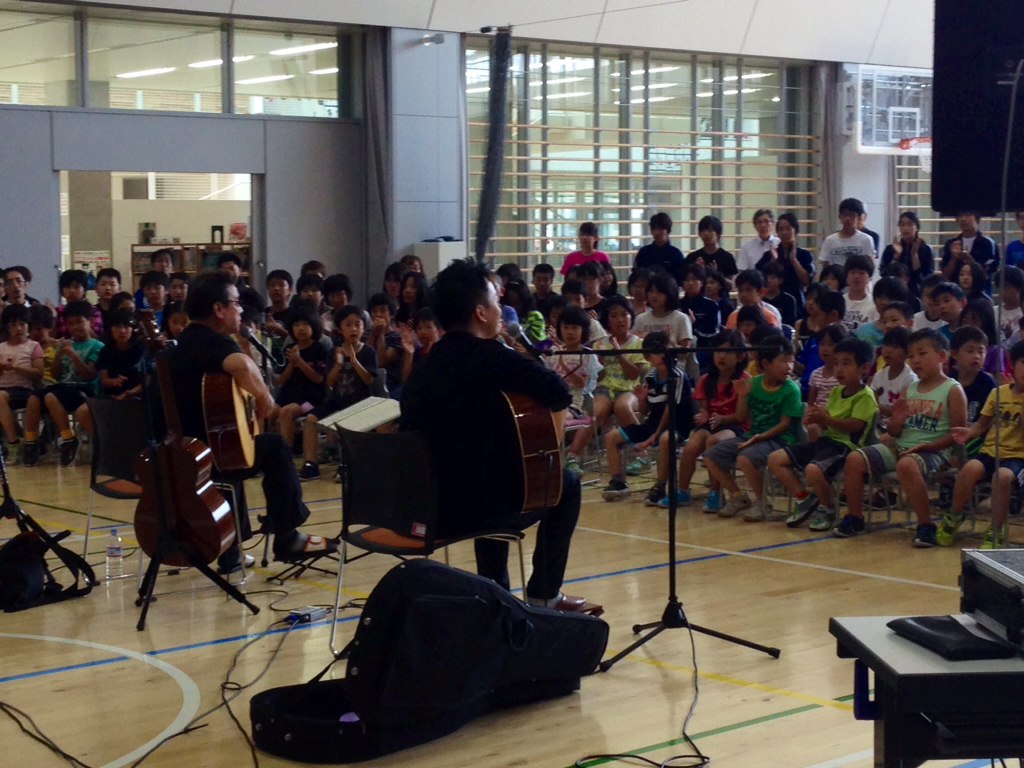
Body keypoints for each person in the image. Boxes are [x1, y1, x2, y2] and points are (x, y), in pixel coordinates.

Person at [401, 259, 589, 611]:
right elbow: (558, 391)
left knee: (491, 476)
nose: (500, 309)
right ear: (480, 312)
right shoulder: (493, 357)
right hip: (479, 510)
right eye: (494, 301)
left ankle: (495, 594)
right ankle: (544, 594)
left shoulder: (425, 367)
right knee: (567, 485)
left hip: (428, 509)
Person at [164, 270, 335, 565]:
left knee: (237, 445)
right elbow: (241, 365)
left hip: (182, 455)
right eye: (235, 303)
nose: (241, 310)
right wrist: (266, 400)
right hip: (208, 458)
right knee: (274, 448)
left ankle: (231, 552)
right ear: (219, 309)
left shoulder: (180, 346)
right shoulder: (213, 343)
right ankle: (287, 537)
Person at [836, 329, 967, 546]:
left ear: (942, 356)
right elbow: (895, 431)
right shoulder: (910, 388)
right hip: (901, 447)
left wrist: (928, 446)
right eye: (911, 355)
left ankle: (926, 526)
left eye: (922, 353)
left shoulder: (952, 389)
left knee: (907, 465)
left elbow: (958, 435)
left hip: (934, 452)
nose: (915, 360)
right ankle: (855, 517)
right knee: (855, 458)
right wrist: (896, 421)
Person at [770, 338, 877, 532]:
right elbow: (827, 421)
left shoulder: (866, 396)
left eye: (846, 363)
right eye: (836, 363)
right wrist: (816, 419)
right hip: (825, 442)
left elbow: (855, 426)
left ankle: (827, 508)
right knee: (776, 459)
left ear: (864, 368)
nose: (839, 369)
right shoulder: (836, 392)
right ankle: (805, 498)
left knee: (813, 470)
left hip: (846, 447)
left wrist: (826, 419)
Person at [703, 337, 803, 520]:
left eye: (791, 361)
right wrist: (742, 396)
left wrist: (759, 438)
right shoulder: (754, 383)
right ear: (766, 364)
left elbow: (785, 425)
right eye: (783, 361)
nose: (789, 366)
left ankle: (762, 503)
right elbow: (741, 417)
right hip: (753, 436)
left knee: (745, 458)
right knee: (711, 456)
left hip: (779, 440)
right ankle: (737, 496)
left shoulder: (791, 389)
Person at [939, 341, 1024, 548]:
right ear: (1013, 364)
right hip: (990, 451)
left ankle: (995, 530)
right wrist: (969, 433)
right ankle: (954, 516)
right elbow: (982, 424)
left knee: (1001, 477)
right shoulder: (998, 393)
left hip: (1018, 458)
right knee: (969, 469)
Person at [659, 329, 749, 513]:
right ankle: (683, 491)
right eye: (717, 351)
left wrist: (722, 418)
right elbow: (705, 408)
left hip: (735, 426)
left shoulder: (744, 380)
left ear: (740, 357)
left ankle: (715, 493)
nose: (721, 356)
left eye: (727, 352)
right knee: (690, 447)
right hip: (713, 423)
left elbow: (741, 416)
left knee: (713, 442)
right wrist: (705, 414)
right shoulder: (706, 379)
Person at [602, 331, 692, 502]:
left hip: (676, 425)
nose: (663, 356)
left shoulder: (678, 376)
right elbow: (644, 412)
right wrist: (642, 399)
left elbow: (670, 410)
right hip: (653, 424)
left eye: (666, 350)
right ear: (648, 357)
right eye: (657, 352)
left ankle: (660, 486)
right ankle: (618, 482)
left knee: (665, 439)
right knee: (611, 437)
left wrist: (653, 437)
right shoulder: (650, 377)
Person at [299, 305, 378, 480]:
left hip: (360, 402)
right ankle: (311, 464)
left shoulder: (368, 352)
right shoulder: (333, 352)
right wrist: (338, 365)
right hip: (337, 401)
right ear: (340, 329)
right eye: (348, 325)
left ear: (364, 328)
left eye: (357, 324)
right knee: (311, 419)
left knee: (349, 421)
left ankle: (348, 464)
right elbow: (329, 382)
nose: (353, 329)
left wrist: (355, 361)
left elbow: (369, 380)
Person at [23, 301, 103, 467]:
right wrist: (59, 354)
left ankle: (68, 439)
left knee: (51, 396)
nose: (75, 327)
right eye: (71, 324)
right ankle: (31, 442)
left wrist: (74, 356)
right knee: (34, 398)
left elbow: (90, 375)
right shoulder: (66, 344)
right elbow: (56, 375)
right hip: (63, 388)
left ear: (90, 321)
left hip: (84, 389)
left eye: (79, 322)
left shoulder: (97, 346)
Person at [547, 305, 602, 478]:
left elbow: (581, 384)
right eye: (566, 327)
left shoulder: (587, 355)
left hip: (574, 405)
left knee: (555, 418)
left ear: (583, 330)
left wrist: (563, 365)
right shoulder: (552, 351)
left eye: (575, 327)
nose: (570, 332)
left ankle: (560, 460)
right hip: (552, 401)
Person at [274, 304, 328, 455]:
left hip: (310, 401)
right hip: (288, 396)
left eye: (305, 324)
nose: (301, 329)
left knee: (286, 412)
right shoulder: (290, 348)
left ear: (314, 326)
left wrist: (300, 361)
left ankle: (286, 456)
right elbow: (281, 380)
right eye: (296, 325)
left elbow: (318, 379)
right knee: (267, 413)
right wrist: (292, 364)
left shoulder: (320, 349)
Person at [0, 304, 43, 461]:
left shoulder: (33, 346)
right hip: (3, 389)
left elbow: (38, 372)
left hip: (24, 391)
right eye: (13, 325)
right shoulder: (1, 347)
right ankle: (14, 438)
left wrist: (16, 368)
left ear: (28, 325)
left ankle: (13, 442)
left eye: (22, 324)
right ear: (7, 327)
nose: (18, 329)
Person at [755, 212, 814, 314]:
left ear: (795, 230)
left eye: (788, 229)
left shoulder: (804, 254)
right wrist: (774, 262)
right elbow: (759, 278)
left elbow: (807, 281)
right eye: (781, 229)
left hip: (796, 302)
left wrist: (794, 260)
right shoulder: (770, 254)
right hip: (771, 301)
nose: (784, 232)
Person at [871, 327, 917, 433]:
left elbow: (904, 413)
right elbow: (872, 400)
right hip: (877, 425)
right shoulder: (879, 375)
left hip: (898, 429)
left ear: (907, 353)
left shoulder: (910, 378)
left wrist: (877, 407)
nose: (888, 350)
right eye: (886, 345)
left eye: (895, 347)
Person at [818, 198, 876, 274]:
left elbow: (870, 266)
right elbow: (825, 266)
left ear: (859, 218)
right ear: (839, 217)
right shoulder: (830, 240)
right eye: (845, 215)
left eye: (852, 215)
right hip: (837, 279)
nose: (848, 218)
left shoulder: (866, 239)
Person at [881, 211, 934, 294]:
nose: (905, 228)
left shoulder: (926, 249)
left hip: (917, 292)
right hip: (894, 291)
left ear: (917, 227)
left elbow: (925, 277)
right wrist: (896, 255)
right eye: (902, 225)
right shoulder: (890, 248)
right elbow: (884, 274)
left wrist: (914, 255)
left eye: (910, 225)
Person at [939, 212, 999, 286]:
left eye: (968, 215)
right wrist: (954, 257)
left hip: (980, 290)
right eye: (960, 216)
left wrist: (970, 260)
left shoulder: (988, 244)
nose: (963, 219)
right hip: (956, 289)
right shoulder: (951, 243)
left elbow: (987, 274)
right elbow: (945, 276)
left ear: (977, 219)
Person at [634, 211, 685, 284]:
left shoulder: (676, 254)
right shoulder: (644, 252)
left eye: (660, 229)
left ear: (668, 230)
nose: (657, 232)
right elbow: (636, 275)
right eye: (654, 229)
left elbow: (680, 280)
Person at [55, 269, 104, 340]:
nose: (71, 291)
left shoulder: (93, 311)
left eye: (76, 287)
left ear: (84, 290)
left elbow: (98, 339)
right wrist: (53, 317)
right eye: (67, 287)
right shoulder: (57, 312)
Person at [686, 215, 738, 279]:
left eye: (710, 230)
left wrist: (716, 274)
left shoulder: (727, 257)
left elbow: (732, 283)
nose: (706, 233)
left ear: (718, 234)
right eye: (702, 230)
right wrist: (696, 270)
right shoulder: (692, 257)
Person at [841, 254, 877, 333]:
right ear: (846, 276)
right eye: (852, 273)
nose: (856, 276)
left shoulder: (874, 304)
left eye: (861, 273)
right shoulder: (839, 301)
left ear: (869, 277)